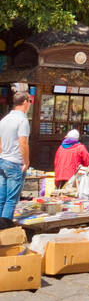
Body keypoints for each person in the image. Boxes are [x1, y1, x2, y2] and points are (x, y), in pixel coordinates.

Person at [0, 88, 32, 221]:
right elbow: (23, 142)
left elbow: (0, 143)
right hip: (15, 162)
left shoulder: (5, 119)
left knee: (2, 197)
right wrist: (26, 161)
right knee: (11, 199)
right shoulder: (22, 120)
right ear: (25, 102)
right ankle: (5, 228)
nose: (30, 104)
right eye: (30, 101)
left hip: (3, 160)